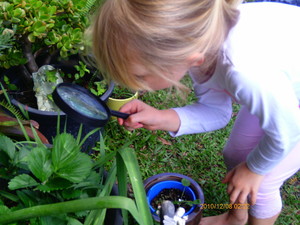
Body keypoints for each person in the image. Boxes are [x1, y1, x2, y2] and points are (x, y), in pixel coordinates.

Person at [90, 0, 300, 224]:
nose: (134, 85)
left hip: (288, 110)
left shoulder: (244, 72)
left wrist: (254, 170)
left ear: (188, 59)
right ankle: (235, 218)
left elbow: (287, 130)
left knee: (263, 179)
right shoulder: (201, 44)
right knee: (235, 154)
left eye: (140, 76)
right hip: (281, 91)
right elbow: (216, 111)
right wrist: (161, 117)